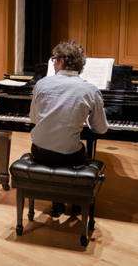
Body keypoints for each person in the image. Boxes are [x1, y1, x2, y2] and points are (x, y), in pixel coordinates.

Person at [29, 41, 108, 216]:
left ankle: (57, 203)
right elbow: (100, 129)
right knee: (79, 150)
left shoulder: (41, 84)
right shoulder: (90, 90)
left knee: (56, 146)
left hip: (39, 152)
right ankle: (77, 200)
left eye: (54, 59)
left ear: (61, 61)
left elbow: (34, 119)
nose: (53, 63)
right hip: (68, 157)